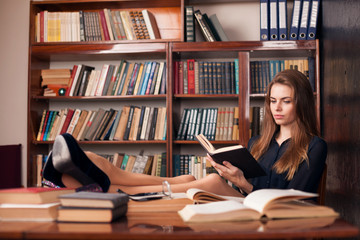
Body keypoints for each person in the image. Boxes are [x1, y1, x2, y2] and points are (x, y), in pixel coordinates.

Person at [42, 69, 326, 197]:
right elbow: (242, 184)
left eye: (286, 101)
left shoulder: (314, 146)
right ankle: (93, 165)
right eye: (273, 101)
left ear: (300, 102)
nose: (277, 108)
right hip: (244, 200)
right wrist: (232, 174)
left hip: (274, 214)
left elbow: (297, 197)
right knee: (189, 178)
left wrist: (243, 184)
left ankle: (109, 187)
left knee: (212, 183)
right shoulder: (258, 142)